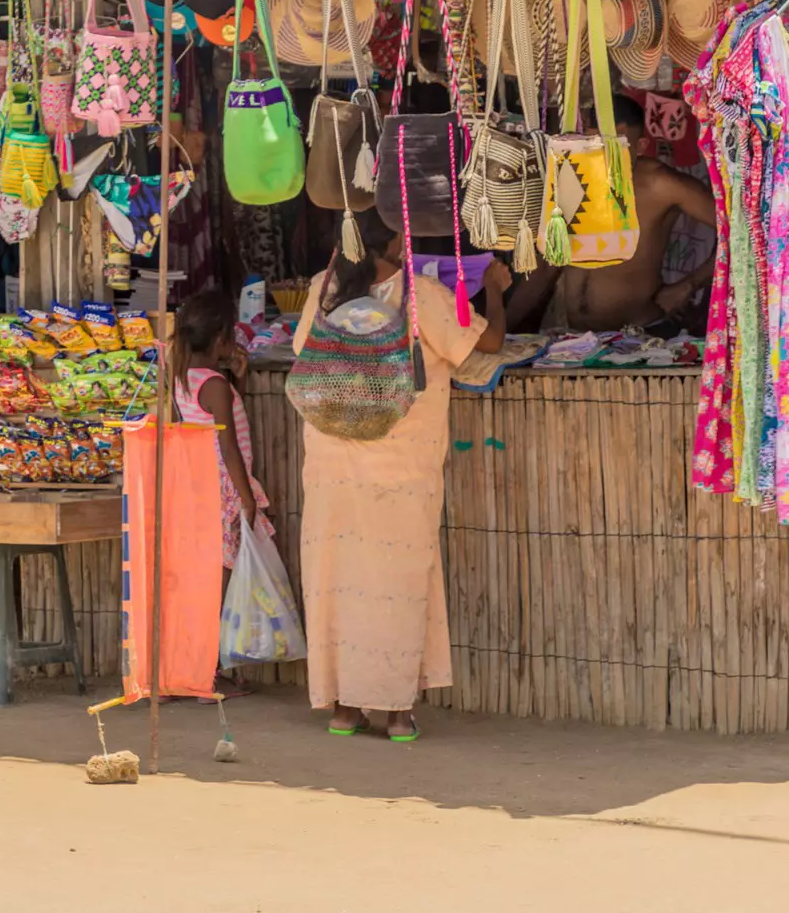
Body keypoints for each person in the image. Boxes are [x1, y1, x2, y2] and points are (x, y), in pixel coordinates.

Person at [293, 206, 509, 741]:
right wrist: (498, 289)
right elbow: (487, 345)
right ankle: (396, 713)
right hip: (401, 465)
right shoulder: (419, 296)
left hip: (331, 464)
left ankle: (343, 708)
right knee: (397, 582)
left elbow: (301, 353)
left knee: (337, 578)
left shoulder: (324, 288)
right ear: (393, 242)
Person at [505, 94, 717, 334]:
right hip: (580, 340)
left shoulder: (661, 184)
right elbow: (547, 265)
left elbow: (738, 231)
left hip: (645, 335)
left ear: (642, 147)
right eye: (597, 145)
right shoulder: (574, 177)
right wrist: (506, 331)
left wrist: (689, 285)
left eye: (618, 147)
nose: (606, 157)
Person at [171, 292, 274, 579]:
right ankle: (222, 623)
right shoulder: (214, 384)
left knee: (218, 562)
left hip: (204, 482)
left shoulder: (184, 376)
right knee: (227, 567)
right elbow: (228, 447)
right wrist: (247, 498)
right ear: (220, 341)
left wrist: (238, 381)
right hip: (227, 486)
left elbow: (221, 422)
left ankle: (218, 622)